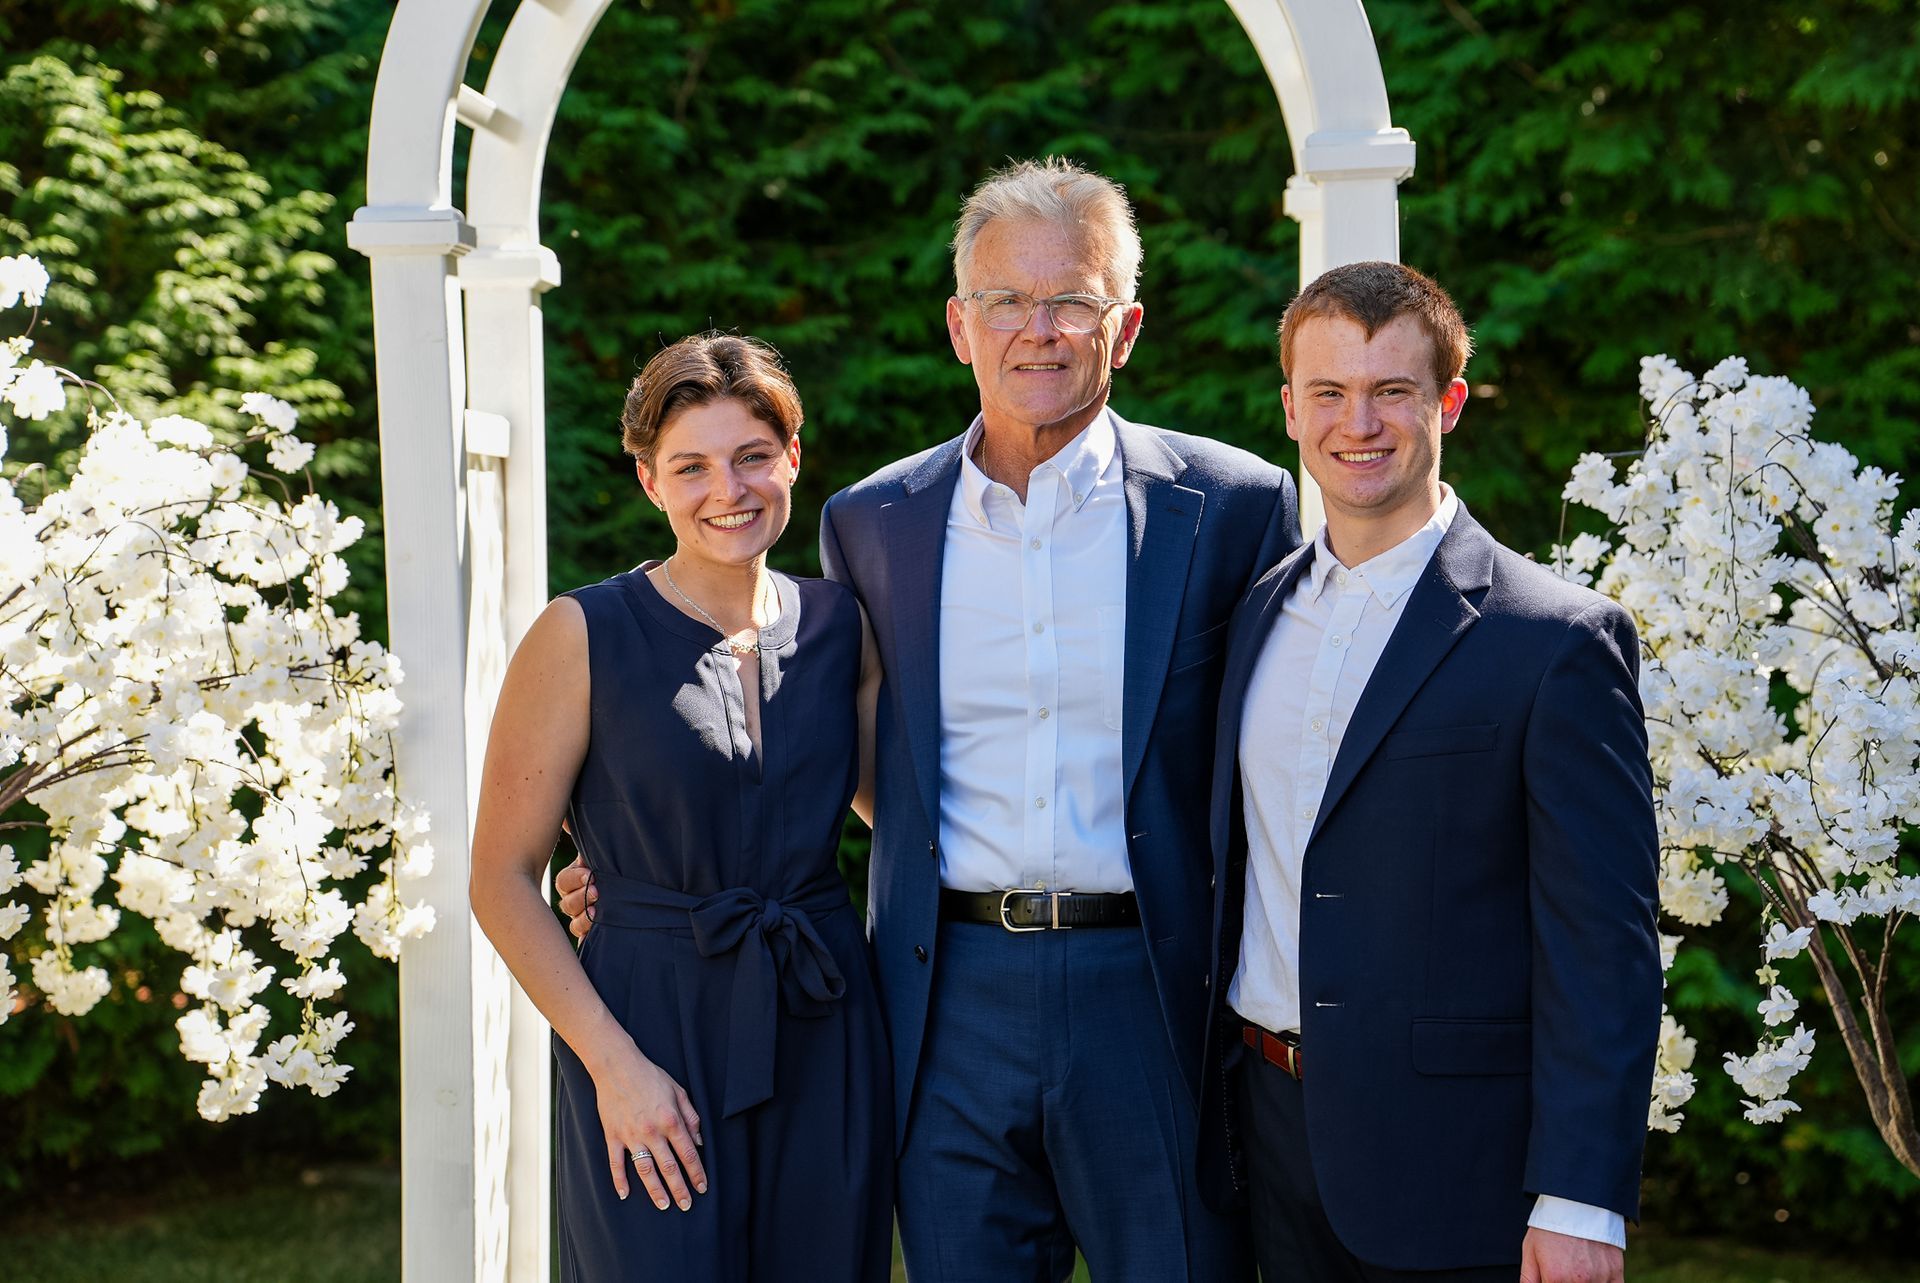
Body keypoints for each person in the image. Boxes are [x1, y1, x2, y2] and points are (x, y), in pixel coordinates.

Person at [563, 158, 1299, 1280]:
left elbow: (1287, 750)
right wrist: (658, 863)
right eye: (1006, 299)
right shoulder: (875, 524)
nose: (1038, 330)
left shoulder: (1235, 508)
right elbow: (846, 751)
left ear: (1127, 325)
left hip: (1149, 993)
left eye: (1073, 301)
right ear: (961, 324)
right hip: (946, 992)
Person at [1198, 261, 1661, 1283]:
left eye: (1391, 390)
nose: (1356, 421)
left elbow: (1604, 944)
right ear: (1289, 408)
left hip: (1456, 1163)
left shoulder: (1556, 641)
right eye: (1328, 391)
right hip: (1264, 1136)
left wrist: (1584, 1196)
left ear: (1447, 400)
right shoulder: (1254, 611)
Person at [469, 334, 892, 1282]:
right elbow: (500, 880)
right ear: (649, 482)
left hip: (822, 1017)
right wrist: (613, 1067)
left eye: (750, 456)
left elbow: (895, 813)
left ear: (792, 456)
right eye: (690, 466)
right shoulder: (580, 633)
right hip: (645, 1026)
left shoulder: (840, 626)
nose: (726, 490)